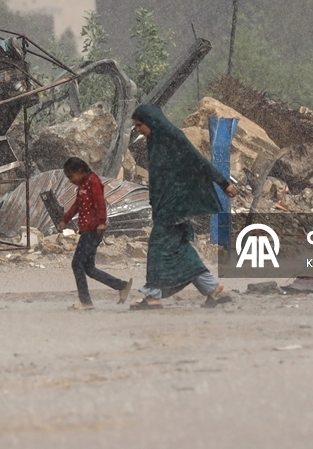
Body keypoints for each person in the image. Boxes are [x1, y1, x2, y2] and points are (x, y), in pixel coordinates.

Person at [129, 104, 238, 310]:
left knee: (157, 248)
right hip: (165, 205)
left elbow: (199, 161)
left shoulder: (174, 138)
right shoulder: (155, 141)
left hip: (176, 205)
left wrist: (224, 183)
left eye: (139, 125)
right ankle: (213, 288)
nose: (138, 130)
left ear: (151, 122)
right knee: (180, 249)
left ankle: (153, 296)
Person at [57, 157, 133, 310]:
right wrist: (64, 220)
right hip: (87, 229)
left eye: (71, 176)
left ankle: (85, 302)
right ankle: (121, 285)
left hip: (93, 230)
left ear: (79, 171)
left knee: (77, 263)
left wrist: (101, 222)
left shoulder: (93, 181)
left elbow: (100, 202)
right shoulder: (83, 185)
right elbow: (77, 205)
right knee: (88, 268)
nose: (70, 181)